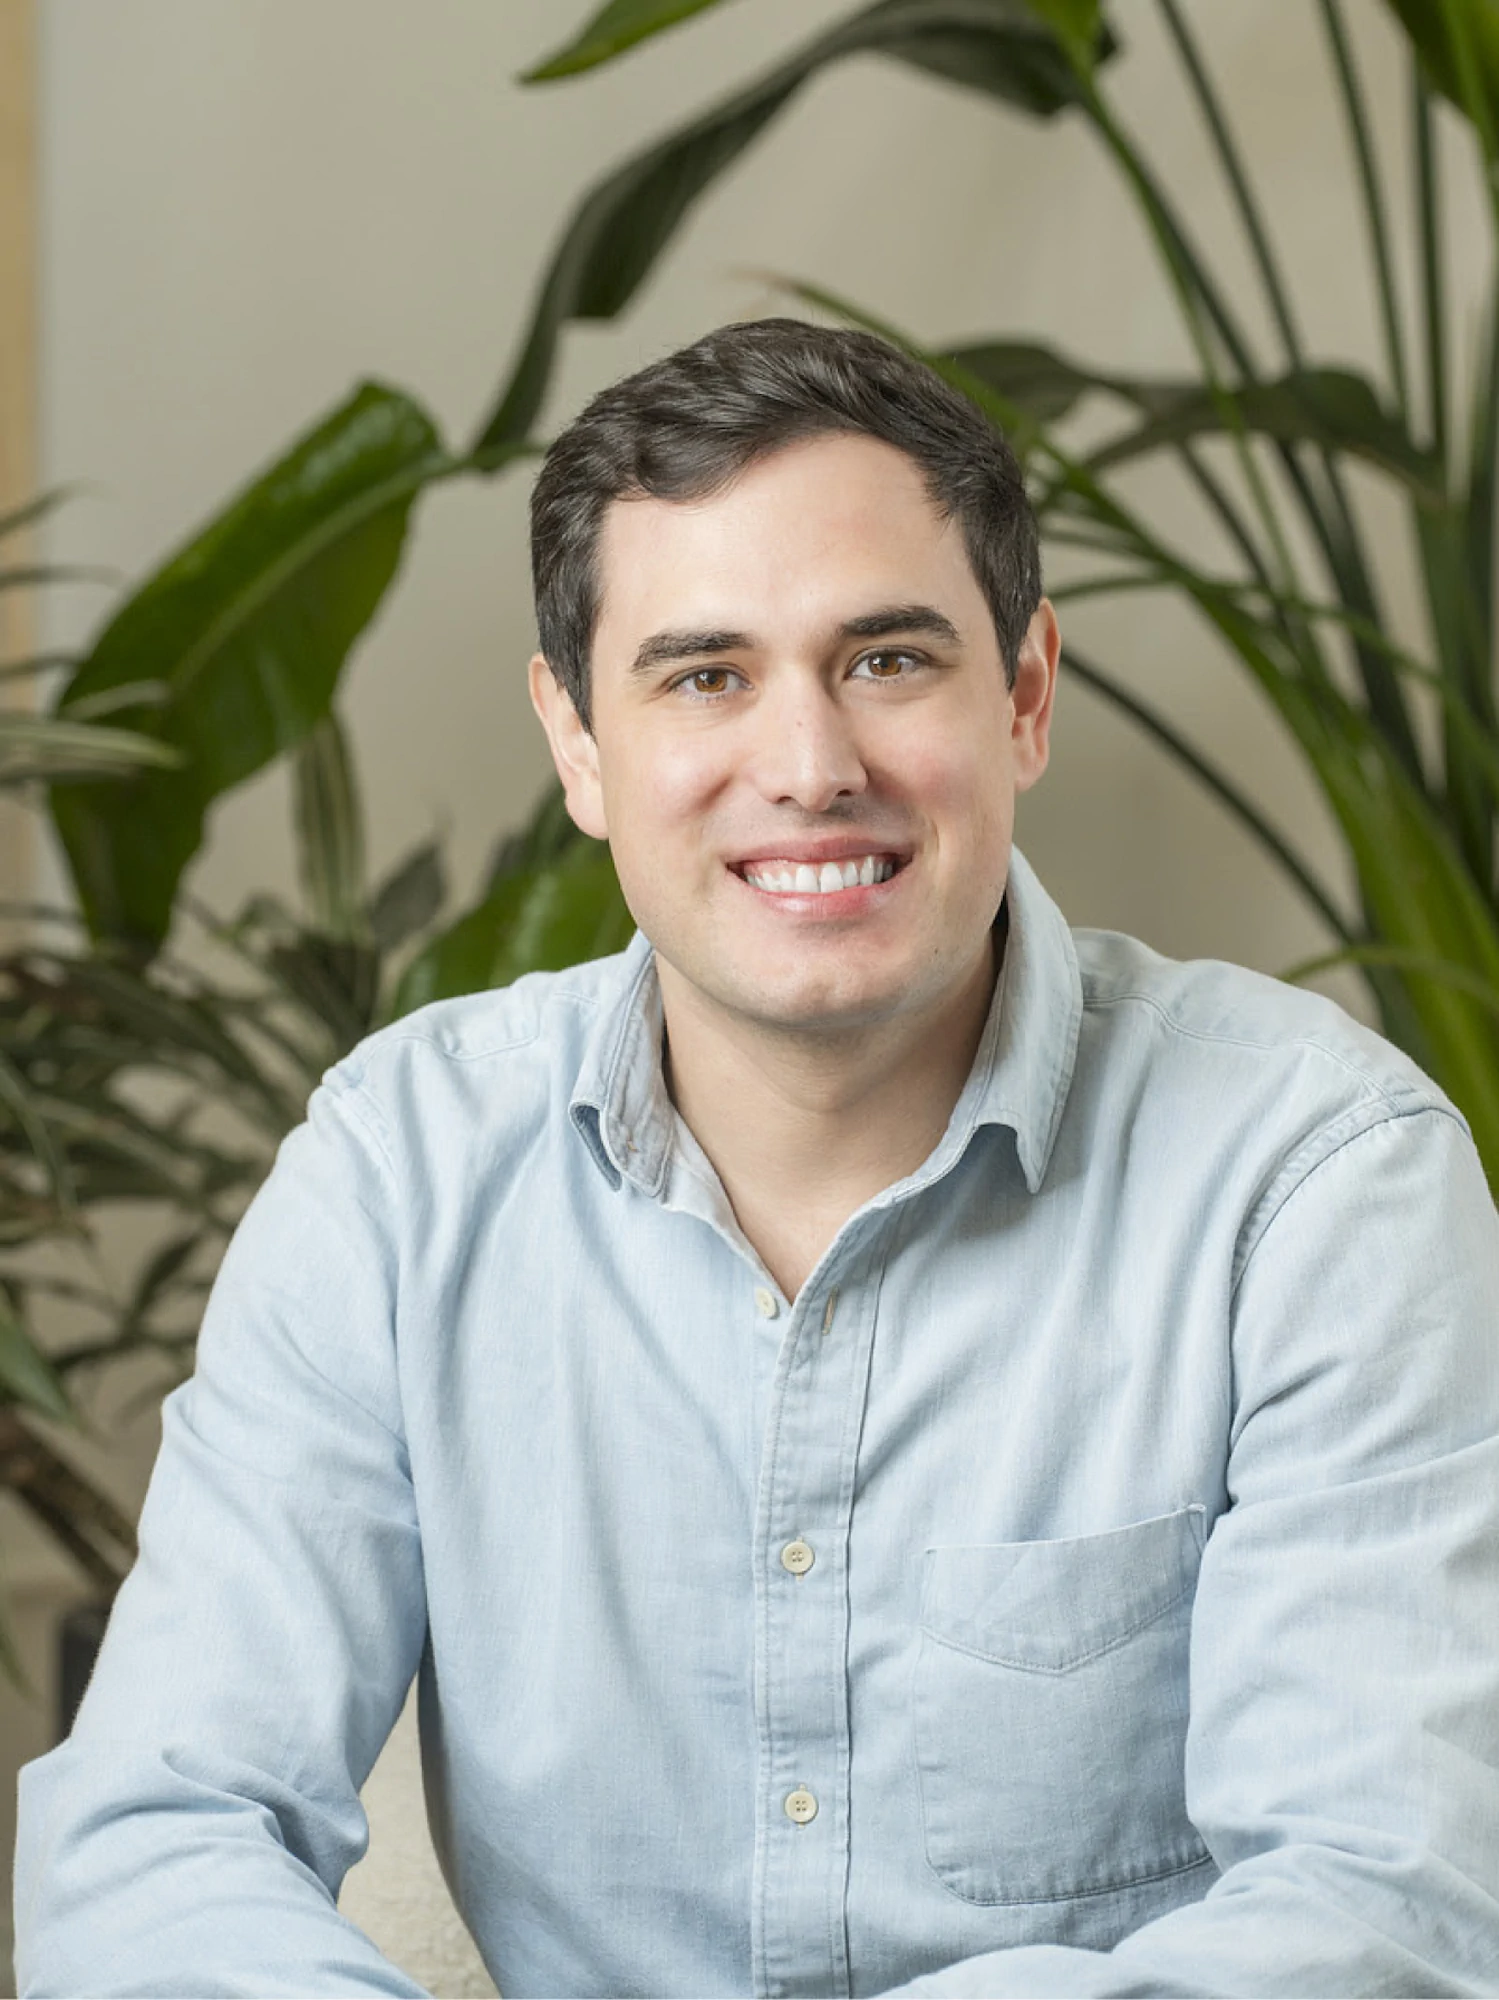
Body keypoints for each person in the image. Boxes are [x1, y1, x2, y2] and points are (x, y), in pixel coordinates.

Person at [14, 318, 1499, 1998]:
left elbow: (1386, 1910)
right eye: (704, 673)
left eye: (885, 660)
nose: (807, 769)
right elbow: (150, 1841)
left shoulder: (1315, 1180)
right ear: (579, 743)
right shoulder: (397, 1175)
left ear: (1021, 695)